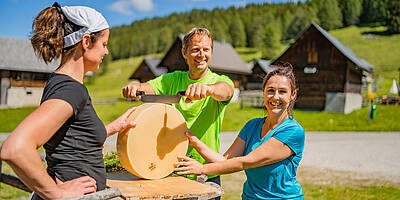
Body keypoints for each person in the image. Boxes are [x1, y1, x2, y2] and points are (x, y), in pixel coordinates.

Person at [0, 3, 136, 199]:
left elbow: (72, 141)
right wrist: (56, 194)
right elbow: (15, 148)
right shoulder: (71, 90)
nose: (106, 52)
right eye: (104, 44)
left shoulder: (61, 83)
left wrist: (111, 128)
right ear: (86, 41)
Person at [174, 62, 305, 199]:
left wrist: (202, 169)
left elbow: (246, 162)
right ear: (264, 93)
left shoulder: (293, 132)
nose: (275, 97)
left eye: (282, 91)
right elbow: (224, 161)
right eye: (270, 90)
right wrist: (194, 141)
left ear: (293, 95)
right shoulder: (252, 126)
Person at [122, 27, 234, 188]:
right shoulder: (172, 79)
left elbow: (226, 91)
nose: (201, 54)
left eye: (206, 49)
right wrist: (134, 86)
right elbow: (145, 87)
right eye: (195, 50)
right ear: (184, 53)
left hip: (207, 170)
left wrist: (210, 89)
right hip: (172, 168)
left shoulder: (220, 81)